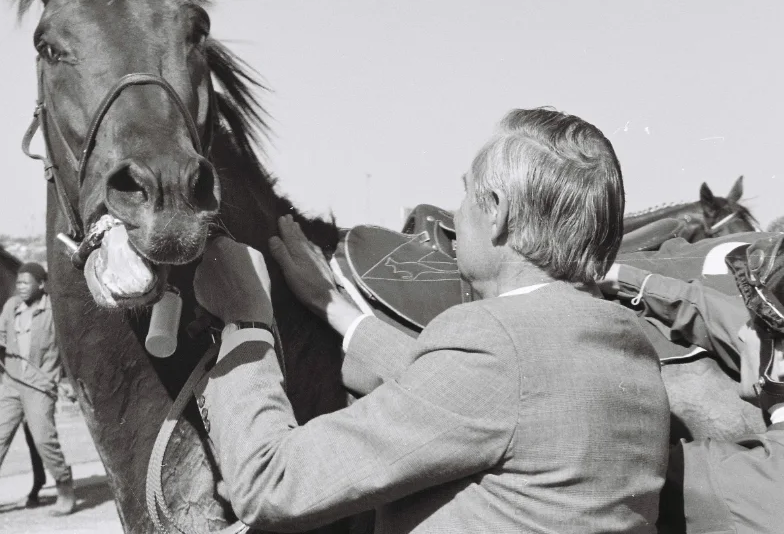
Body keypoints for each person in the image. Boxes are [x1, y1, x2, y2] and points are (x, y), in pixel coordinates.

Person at [193, 107, 672, 533]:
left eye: (465, 195)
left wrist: (247, 322)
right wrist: (338, 311)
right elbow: (485, 394)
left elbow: (270, 483)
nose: (454, 213)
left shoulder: (492, 346)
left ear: (498, 215)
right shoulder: (627, 345)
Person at [599, 233, 784, 533]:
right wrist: (633, 281)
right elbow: (721, 316)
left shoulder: (721, 479)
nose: (741, 333)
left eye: (754, 324)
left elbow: (608, 473)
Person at [0, 262, 76, 516]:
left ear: (41, 285)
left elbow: (70, 350)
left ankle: (65, 488)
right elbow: (0, 340)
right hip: (12, 386)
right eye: (18, 282)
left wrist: (69, 383)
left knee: (43, 439)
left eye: (25, 283)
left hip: (40, 388)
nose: (19, 287)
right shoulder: (11, 307)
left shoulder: (55, 312)